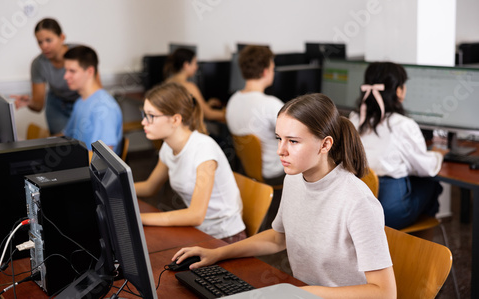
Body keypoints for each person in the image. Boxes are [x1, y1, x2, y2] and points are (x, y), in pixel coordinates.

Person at [172, 94, 397, 298]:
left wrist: (302, 294)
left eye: (293, 141)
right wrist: (218, 253)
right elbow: (278, 237)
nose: (281, 150)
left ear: (325, 144)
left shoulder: (357, 201)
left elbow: (384, 292)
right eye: (279, 138)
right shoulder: (294, 178)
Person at [133, 82, 246, 243]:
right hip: (200, 231)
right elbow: (150, 186)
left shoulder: (203, 149)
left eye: (151, 116)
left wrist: (139, 218)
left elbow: (196, 215)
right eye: (144, 114)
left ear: (175, 120)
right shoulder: (168, 146)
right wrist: (115, 188)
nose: (144, 122)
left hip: (224, 236)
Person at [349, 62, 443, 229]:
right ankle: (421, 250)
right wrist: (438, 155)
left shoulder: (354, 119)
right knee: (432, 185)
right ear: (398, 91)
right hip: (390, 212)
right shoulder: (402, 124)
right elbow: (425, 168)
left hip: (357, 210)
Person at [225, 45, 285, 185]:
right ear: (265, 72)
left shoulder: (232, 101)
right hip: (274, 172)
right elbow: (298, 134)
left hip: (248, 170)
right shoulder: (271, 104)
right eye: (272, 69)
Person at [13, 18, 81, 135]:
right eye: (40, 42)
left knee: (83, 141)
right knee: (62, 145)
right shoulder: (38, 64)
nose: (44, 46)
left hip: (81, 102)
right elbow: (38, 105)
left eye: (48, 40)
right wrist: (29, 102)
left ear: (62, 38)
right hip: (57, 105)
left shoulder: (80, 54)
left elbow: (95, 91)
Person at [62, 45, 122, 153]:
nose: (65, 76)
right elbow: (66, 136)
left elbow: (103, 159)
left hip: (89, 169)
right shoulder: (80, 102)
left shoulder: (104, 107)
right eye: (66, 70)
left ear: (89, 71)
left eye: (72, 71)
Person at [164, 48, 225, 122]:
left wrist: (206, 105)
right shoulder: (189, 87)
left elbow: (181, 108)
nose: (196, 67)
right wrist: (227, 114)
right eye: (195, 63)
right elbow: (208, 114)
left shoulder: (166, 83)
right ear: (186, 65)